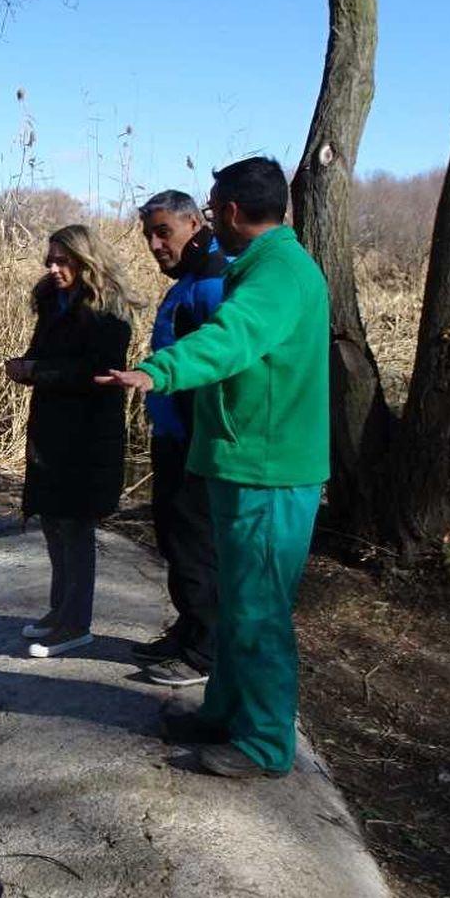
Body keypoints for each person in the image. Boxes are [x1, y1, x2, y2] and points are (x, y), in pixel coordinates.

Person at [98, 157, 329, 779]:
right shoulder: (261, 268)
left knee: (258, 611)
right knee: (238, 602)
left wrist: (158, 371)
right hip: (244, 464)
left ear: (228, 211)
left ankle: (263, 744)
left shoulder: (278, 274)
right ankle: (225, 711)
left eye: (211, 206)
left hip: (269, 472)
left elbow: (231, 339)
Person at [5, 225, 139, 659]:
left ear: (86, 262)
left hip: (88, 434)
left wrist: (35, 372)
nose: (54, 267)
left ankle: (76, 624)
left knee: (75, 525)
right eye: (51, 259)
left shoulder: (110, 310)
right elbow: (47, 355)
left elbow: (101, 374)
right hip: (51, 428)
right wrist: (26, 365)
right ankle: (59, 609)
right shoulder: (50, 299)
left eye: (63, 260)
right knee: (51, 519)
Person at [133, 191, 228, 687]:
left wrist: (200, 433)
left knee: (196, 543)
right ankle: (189, 627)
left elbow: (222, 362)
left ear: (194, 223)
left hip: (197, 440)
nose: (154, 243)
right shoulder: (190, 279)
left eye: (163, 231)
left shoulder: (213, 281)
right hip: (172, 435)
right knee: (173, 537)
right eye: (149, 233)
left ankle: (205, 653)